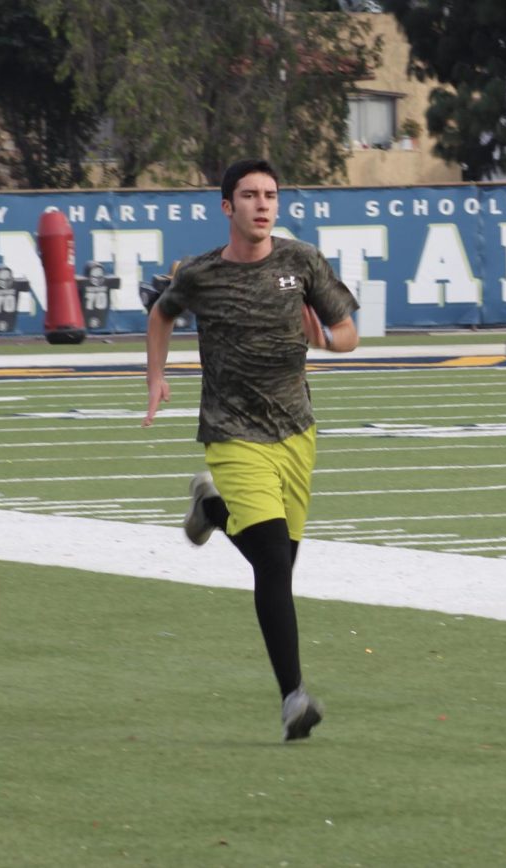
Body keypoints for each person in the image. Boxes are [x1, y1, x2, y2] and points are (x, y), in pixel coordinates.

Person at [143, 158, 359, 742]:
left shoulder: (302, 261)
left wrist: (328, 340)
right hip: (231, 431)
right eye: (249, 195)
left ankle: (213, 511)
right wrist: (156, 376)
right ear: (226, 207)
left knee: (280, 566)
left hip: (296, 432)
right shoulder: (202, 274)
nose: (262, 205)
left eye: (270, 195)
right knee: (270, 564)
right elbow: (161, 313)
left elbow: (348, 332)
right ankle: (294, 697)